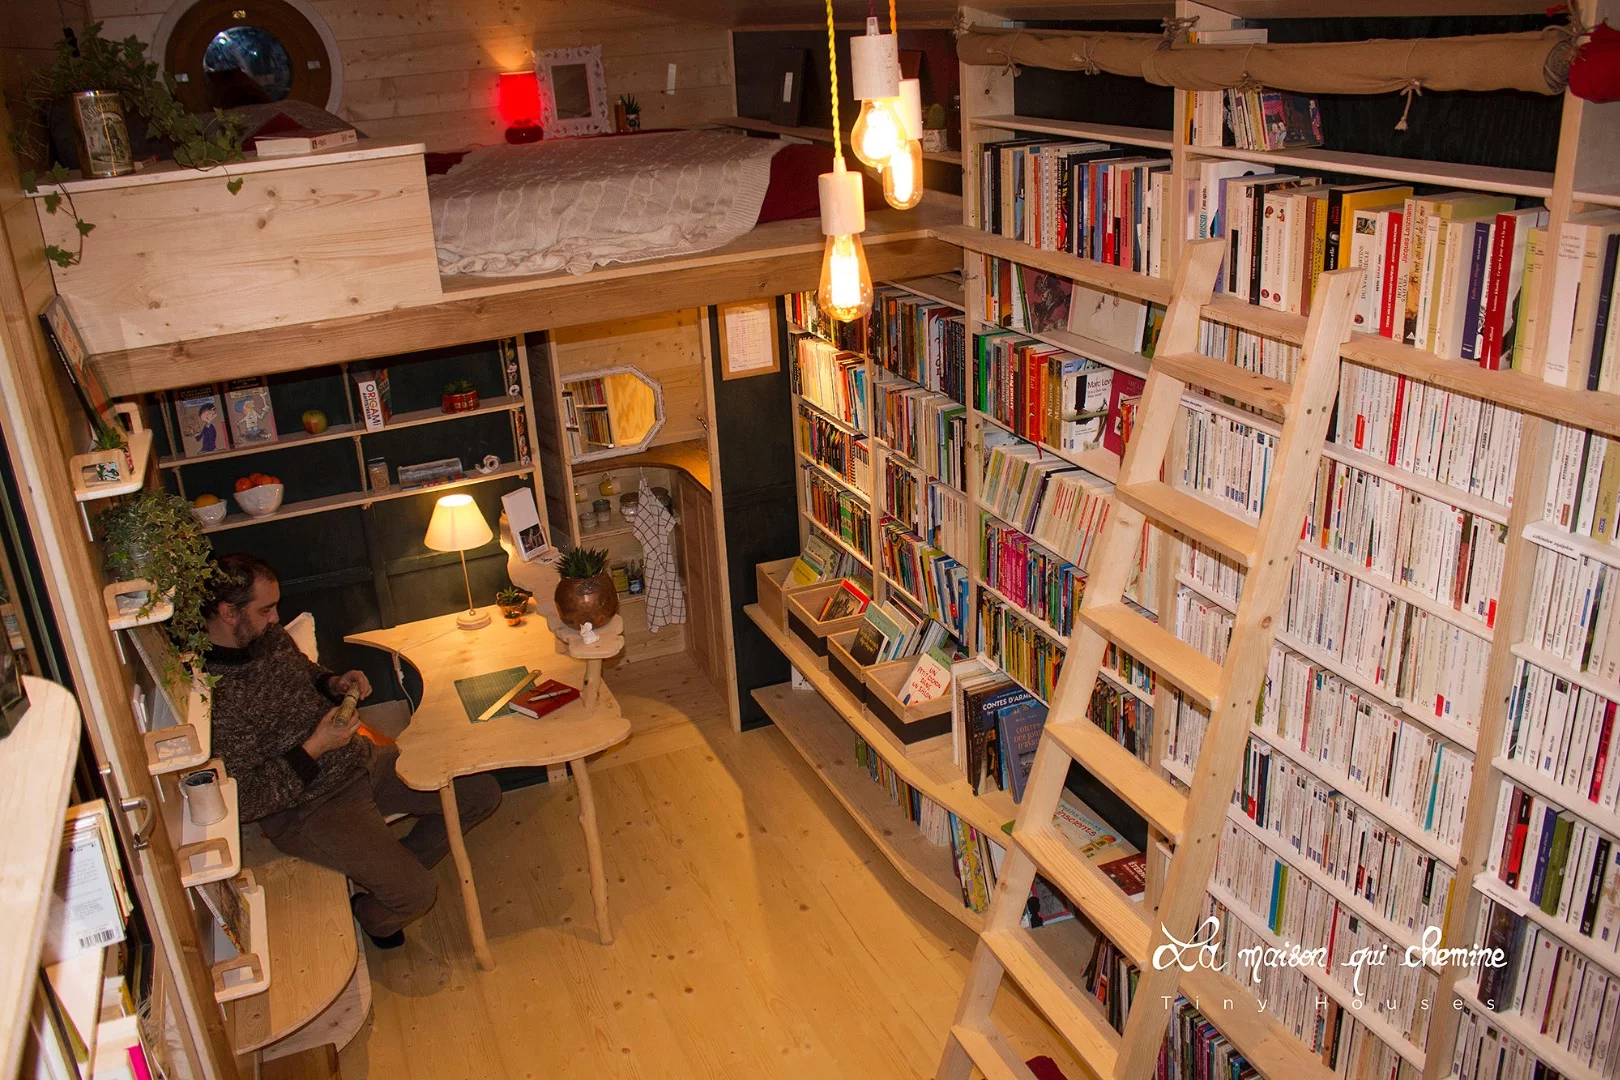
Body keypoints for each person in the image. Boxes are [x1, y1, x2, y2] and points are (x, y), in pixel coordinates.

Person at [202, 553, 502, 948]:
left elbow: (305, 673)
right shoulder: (214, 695)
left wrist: (335, 683)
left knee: (480, 792)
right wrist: (316, 746)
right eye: (265, 609)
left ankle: (391, 871)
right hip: (309, 806)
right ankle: (370, 912)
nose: (276, 619)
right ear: (228, 612)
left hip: (358, 759)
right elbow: (247, 800)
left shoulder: (266, 638)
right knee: (417, 895)